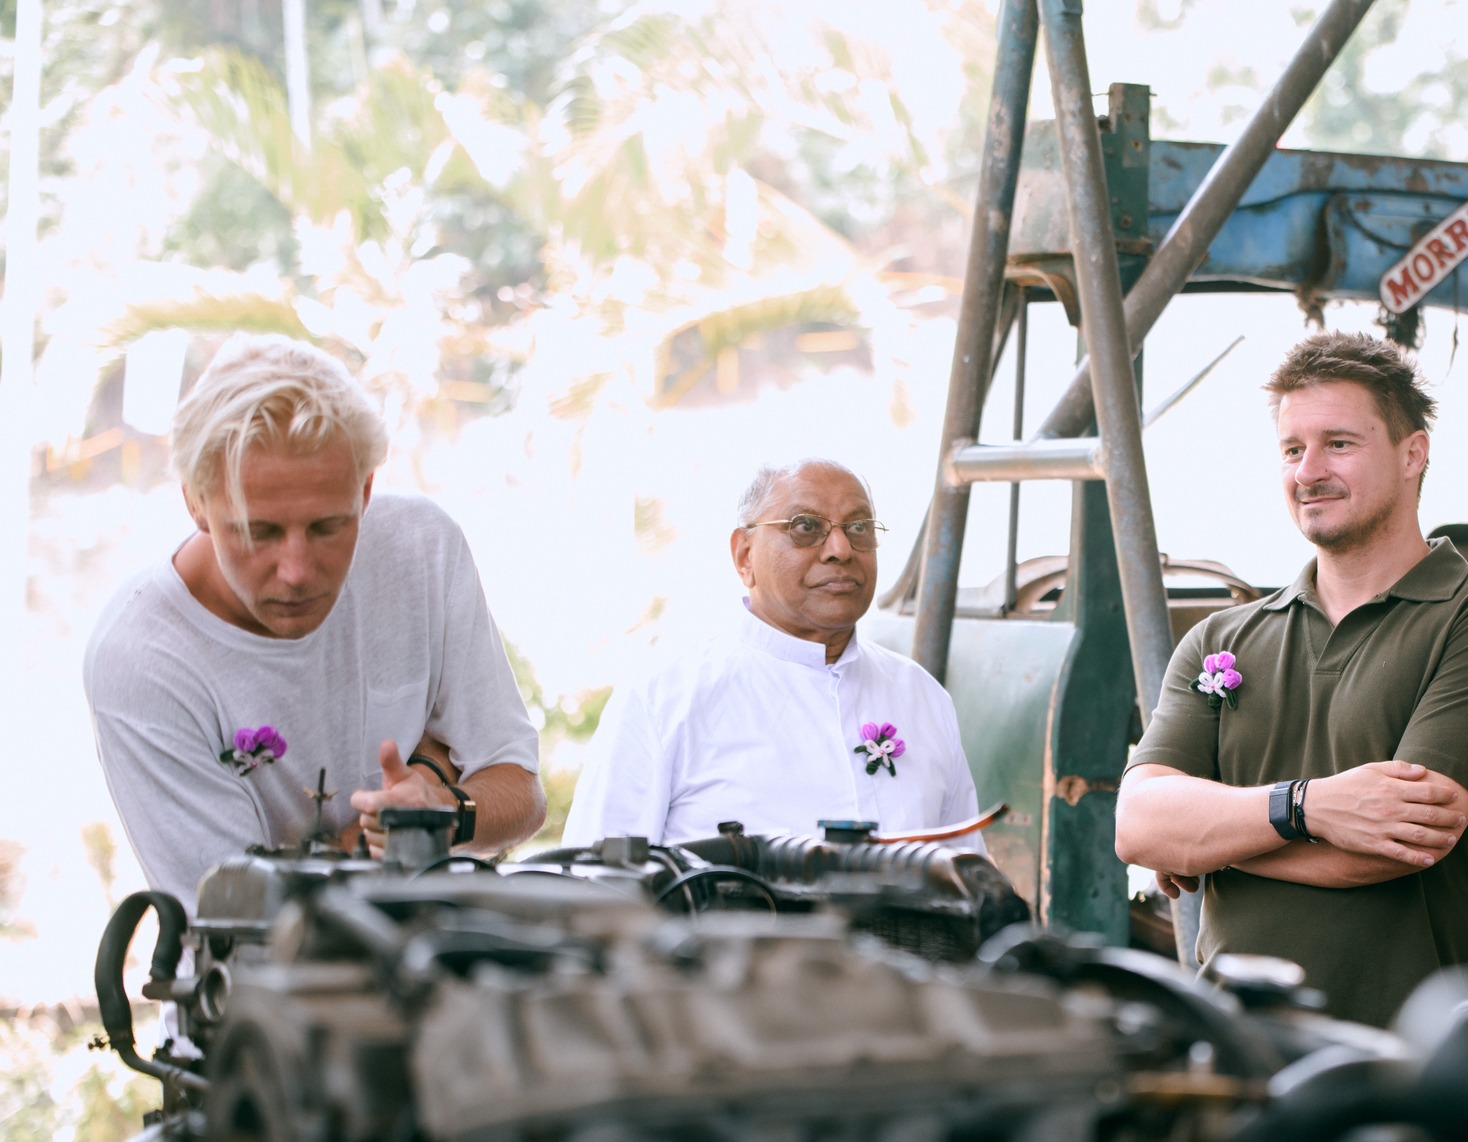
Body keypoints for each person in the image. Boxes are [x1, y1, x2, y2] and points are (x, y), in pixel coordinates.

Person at [1116, 332, 1468, 1026]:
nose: (1309, 471)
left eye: (1339, 444)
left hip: (1405, 1049)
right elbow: (1138, 826)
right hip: (1235, 1042)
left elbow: (1399, 843)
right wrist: (1306, 808)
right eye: (1292, 449)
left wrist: (1211, 843)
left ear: (1413, 453)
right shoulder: (1222, 637)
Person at [84, 336, 545, 907]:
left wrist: (445, 811)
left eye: (328, 527)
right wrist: (427, 784)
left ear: (366, 490)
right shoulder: (140, 657)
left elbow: (521, 793)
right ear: (196, 502)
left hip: (439, 950)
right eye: (259, 532)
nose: (297, 572)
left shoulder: (422, 548)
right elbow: (245, 916)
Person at [564, 459, 982, 846]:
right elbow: (597, 883)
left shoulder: (921, 697)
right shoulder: (663, 700)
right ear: (744, 556)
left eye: (859, 527)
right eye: (805, 527)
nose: (840, 549)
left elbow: (966, 873)